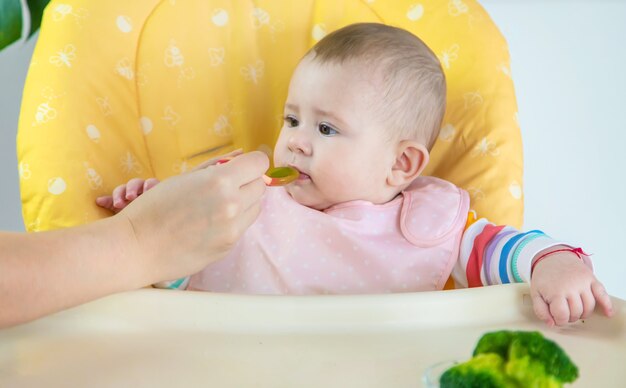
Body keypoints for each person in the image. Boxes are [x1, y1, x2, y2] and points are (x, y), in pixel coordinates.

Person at [96, 23, 613, 327]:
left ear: (400, 164)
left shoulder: (427, 225)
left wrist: (550, 264)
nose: (296, 139)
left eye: (326, 128)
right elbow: (173, 268)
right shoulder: (241, 199)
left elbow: (500, 250)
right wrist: (154, 214)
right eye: (292, 119)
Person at [0, 151, 269, 329]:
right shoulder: (253, 204)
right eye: (291, 120)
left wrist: (144, 231)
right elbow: (180, 286)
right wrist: (145, 224)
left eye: (315, 128)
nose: (296, 142)